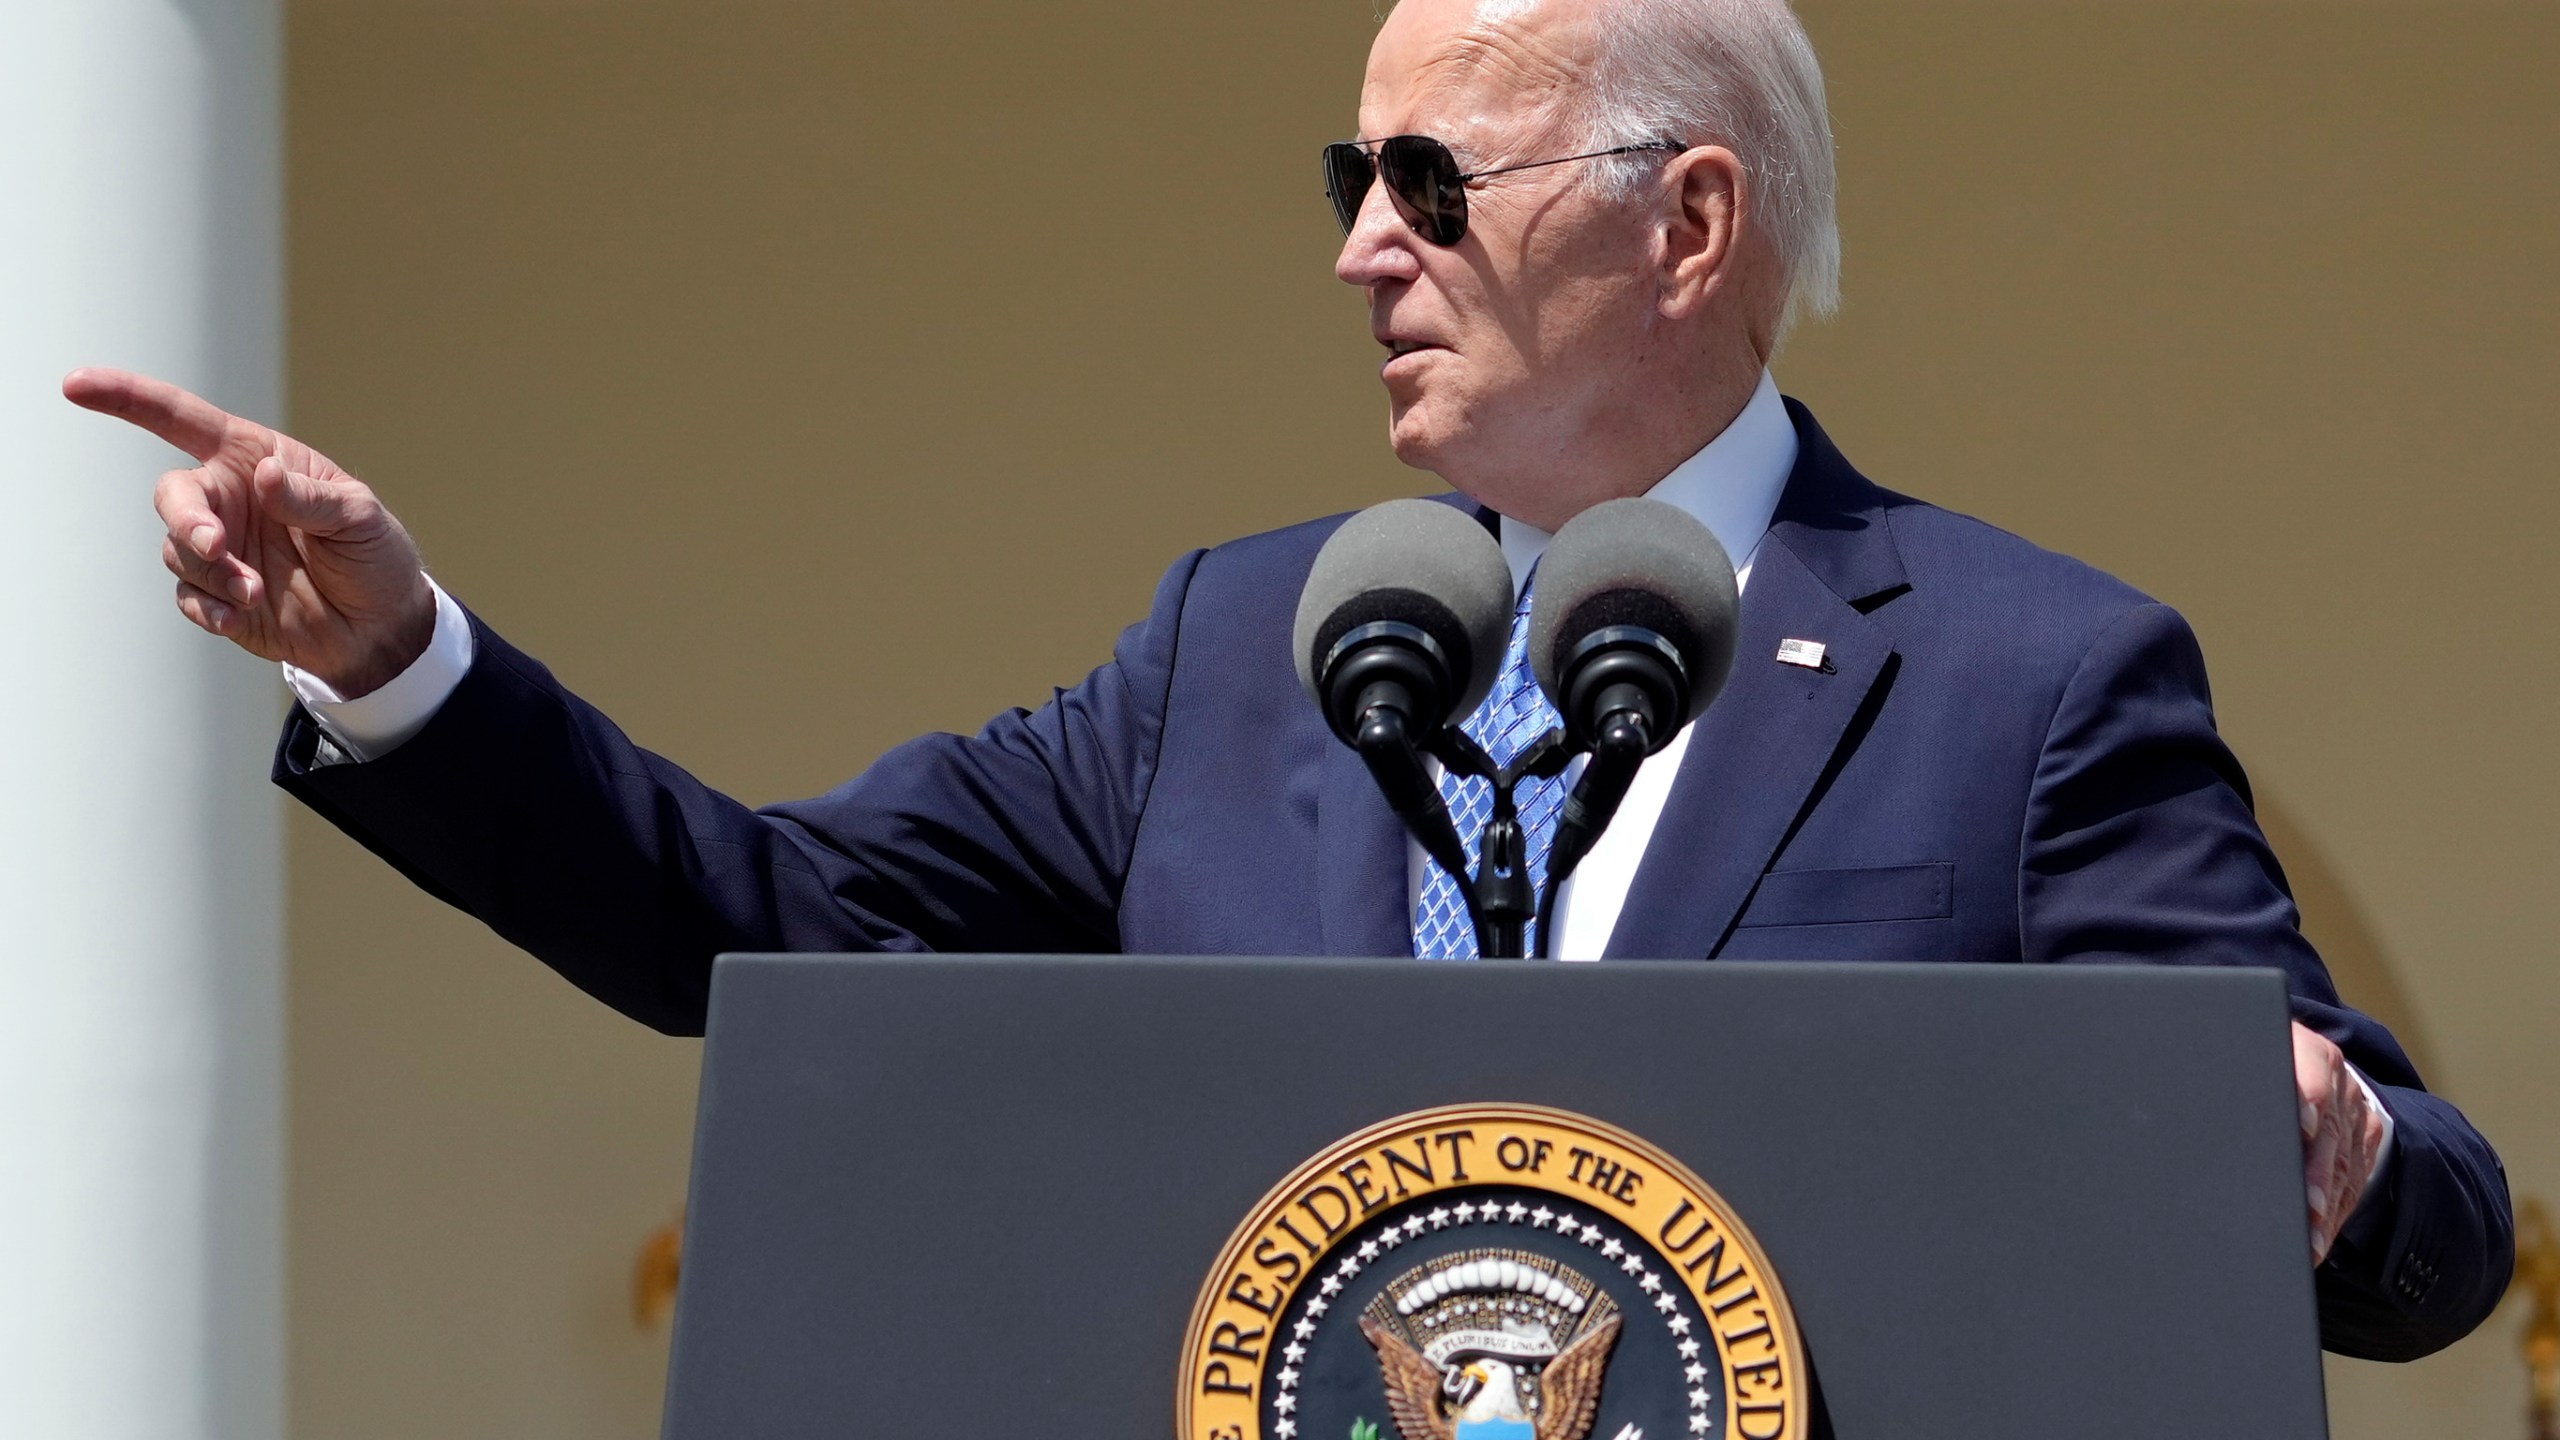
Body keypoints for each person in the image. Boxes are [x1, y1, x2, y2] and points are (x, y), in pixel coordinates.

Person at [66, 0, 2507, 1360]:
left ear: (1687, 224)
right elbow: (763, 923)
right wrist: (400, 661)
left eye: (1430, 182)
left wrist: (2331, 1147)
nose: (1357, 251)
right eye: (1339, 178)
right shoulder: (1253, 645)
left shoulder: (2020, 674)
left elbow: (2413, 1230)